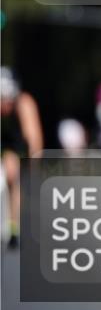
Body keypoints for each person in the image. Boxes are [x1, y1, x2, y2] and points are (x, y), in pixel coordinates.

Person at [1, 67, 44, 248]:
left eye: (8, 101)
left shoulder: (24, 104)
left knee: (14, 172)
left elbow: (34, 140)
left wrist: (33, 168)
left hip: (16, 144)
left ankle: (14, 227)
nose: (6, 106)